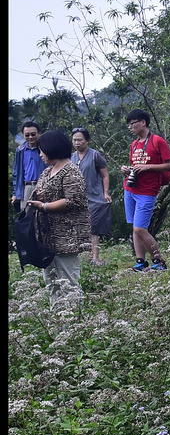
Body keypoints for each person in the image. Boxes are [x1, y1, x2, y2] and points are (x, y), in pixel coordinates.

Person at [26, 131, 90, 310]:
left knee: (68, 281)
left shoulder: (71, 171)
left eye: (42, 150)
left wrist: (45, 206)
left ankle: (73, 323)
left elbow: (73, 200)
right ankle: (58, 321)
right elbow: (42, 193)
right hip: (48, 237)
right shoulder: (47, 171)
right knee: (51, 280)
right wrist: (39, 197)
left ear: (51, 149)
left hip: (67, 236)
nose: (40, 155)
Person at [121, 109, 170, 271]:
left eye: (132, 124)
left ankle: (159, 261)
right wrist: (127, 169)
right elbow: (136, 165)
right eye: (128, 125)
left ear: (143, 122)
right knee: (134, 228)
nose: (130, 127)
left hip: (147, 190)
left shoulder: (157, 141)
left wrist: (148, 167)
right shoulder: (134, 144)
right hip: (130, 188)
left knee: (140, 228)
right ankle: (140, 262)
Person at [70, 127, 112, 265]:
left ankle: (95, 257)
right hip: (77, 197)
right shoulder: (71, 157)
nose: (77, 143)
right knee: (79, 227)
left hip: (94, 196)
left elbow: (105, 175)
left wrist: (106, 192)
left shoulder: (95, 155)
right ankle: (83, 256)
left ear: (87, 140)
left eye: (80, 140)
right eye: (74, 140)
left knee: (93, 227)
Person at [11, 120, 43, 211]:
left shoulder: (44, 148)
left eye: (33, 134)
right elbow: (16, 173)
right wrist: (15, 193)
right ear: (23, 135)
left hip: (42, 186)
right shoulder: (20, 150)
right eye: (27, 135)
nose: (30, 137)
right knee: (26, 214)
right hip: (27, 187)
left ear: (39, 133)